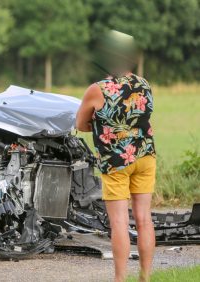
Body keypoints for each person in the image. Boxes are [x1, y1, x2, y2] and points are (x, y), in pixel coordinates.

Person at [76, 30, 156, 282]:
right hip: (145, 156)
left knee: (120, 223)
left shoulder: (97, 90)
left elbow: (81, 124)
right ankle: (145, 277)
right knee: (144, 219)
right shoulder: (144, 84)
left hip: (116, 162)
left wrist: (104, 128)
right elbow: (142, 116)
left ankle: (120, 280)